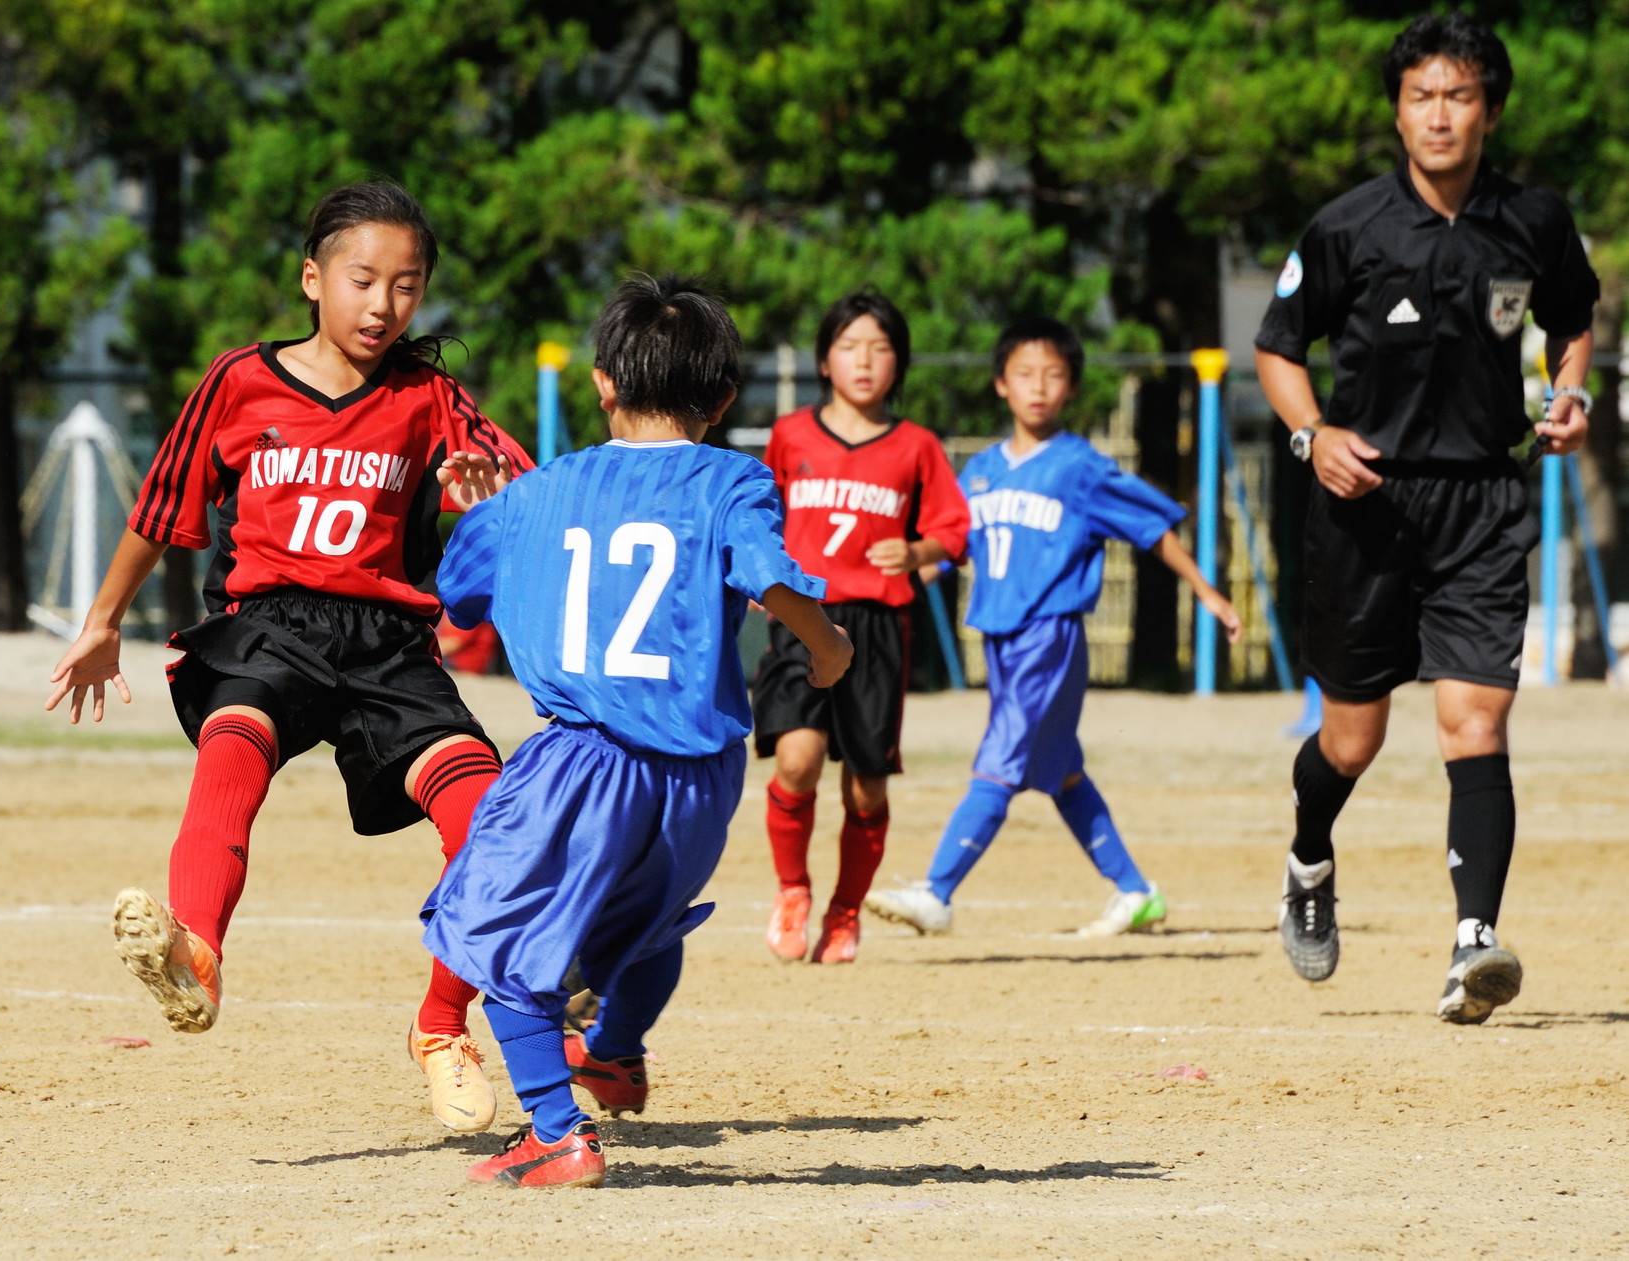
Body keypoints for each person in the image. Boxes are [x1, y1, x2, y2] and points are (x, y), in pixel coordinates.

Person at [44, 180, 533, 1132]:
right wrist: (103, 619)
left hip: (390, 645)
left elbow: (520, 495)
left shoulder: (430, 395)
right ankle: (197, 954)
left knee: (487, 820)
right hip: (268, 624)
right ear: (314, 279)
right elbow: (159, 505)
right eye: (362, 279)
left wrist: (488, 496)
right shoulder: (239, 380)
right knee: (234, 748)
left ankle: (440, 1025)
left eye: (407, 285)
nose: (383, 304)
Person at [424, 275, 853, 1188]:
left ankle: (554, 1130)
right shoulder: (737, 476)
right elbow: (769, 575)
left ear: (601, 384)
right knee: (650, 925)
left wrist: (490, 508)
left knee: (490, 929)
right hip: (701, 774)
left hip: (584, 759)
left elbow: (457, 591)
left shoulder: (545, 488)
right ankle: (615, 1051)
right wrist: (826, 645)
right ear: (723, 399)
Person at [1254, 13, 1598, 1023]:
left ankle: (1472, 943)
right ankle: (1310, 857)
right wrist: (1312, 434)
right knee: (1350, 742)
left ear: (1487, 109)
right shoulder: (1346, 227)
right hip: (1365, 507)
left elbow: (1570, 320)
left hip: (1485, 500)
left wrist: (1567, 396)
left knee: (1474, 720)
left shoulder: (1533, 220)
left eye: (1457, 95)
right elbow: (1279, 346)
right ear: (1397, 112)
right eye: (1420, 96)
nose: (1438, 114)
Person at [865, 318, 1241, 939]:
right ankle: (1135, 892)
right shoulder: (981, 470)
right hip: (1001, 641)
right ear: (1000, 384)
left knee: (999, 761)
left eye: (1054, 375)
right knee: (1063, 773)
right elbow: (951, 548)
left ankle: (937, 891)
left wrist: (1208, 593)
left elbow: (1154, 529)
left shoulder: (1080, 468)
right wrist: (896, 584)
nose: (1038, 386)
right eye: (1024, 373)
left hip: (1049, 636)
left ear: (1070, 389)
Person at [753, 289, 970, 964]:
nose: (865, 360)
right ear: (824, 360)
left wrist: (916, 552)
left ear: (898, 363)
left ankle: (845, 912)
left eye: (880, 348)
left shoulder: (915, 446)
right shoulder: (790, 434)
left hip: (877, 626)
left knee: (865, 784)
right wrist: (760, 575)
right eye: (850, 346)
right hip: (802, 615)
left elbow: (953, 528)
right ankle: (793, 890)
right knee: (797, 758)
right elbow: (759, 509)